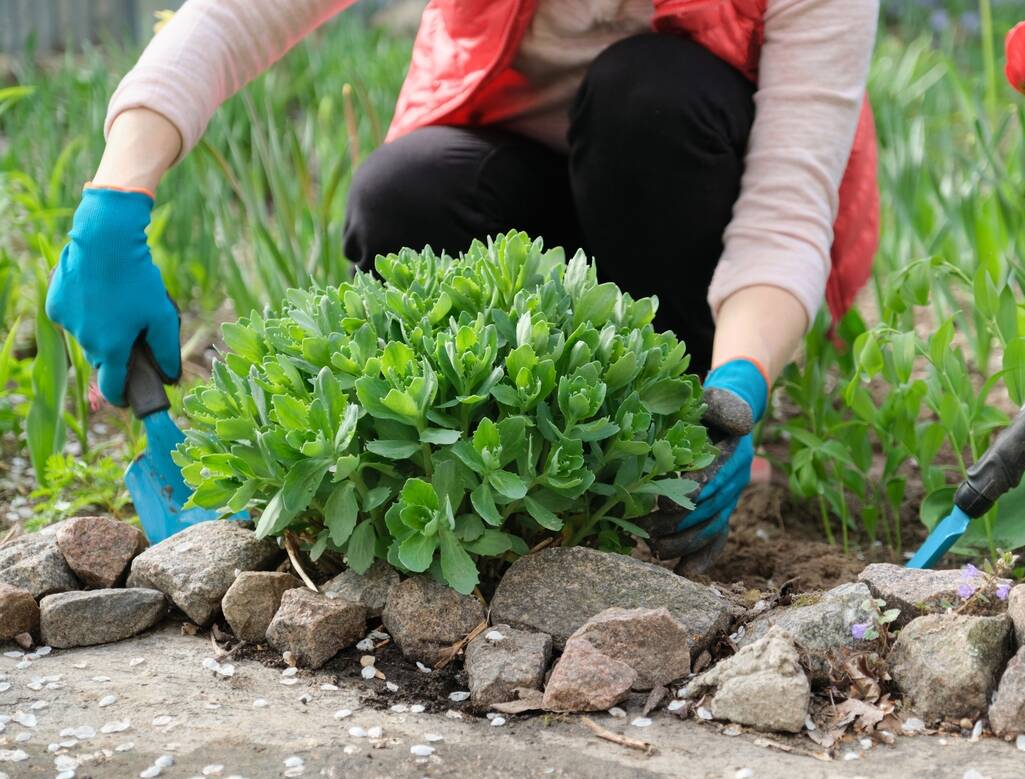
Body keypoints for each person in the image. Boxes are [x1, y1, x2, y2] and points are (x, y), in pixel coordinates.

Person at [46, 0, 881, 574]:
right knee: (404, 194)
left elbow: (785, 217)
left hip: (682, 199)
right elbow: (241, 15)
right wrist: (115, 199)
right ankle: (511, 454)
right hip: (520, 201)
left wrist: (741, 379)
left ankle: (677, 429)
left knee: (649, 98)